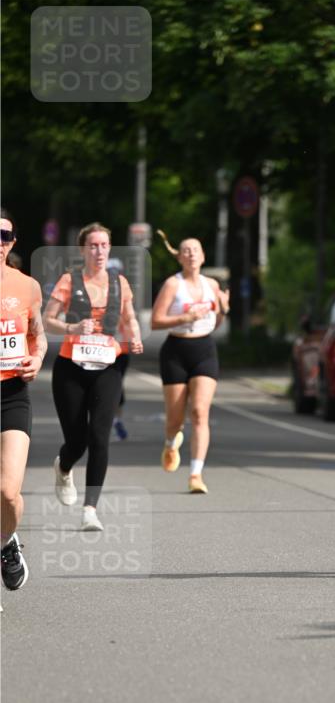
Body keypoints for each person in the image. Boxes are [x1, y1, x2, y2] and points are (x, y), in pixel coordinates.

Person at [44, 222, 144, 531]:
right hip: (71, 369)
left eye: (103, 245)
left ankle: (90, 509)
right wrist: (72, 328)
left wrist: (135, 337)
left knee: (100, 436)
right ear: (82, 249)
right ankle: (63, 467)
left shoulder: (120, 283)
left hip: (108, 367)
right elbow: (48, 320)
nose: (98, 251)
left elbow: (129, 317)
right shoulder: (69, 280)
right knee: (77, 441)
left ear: (110, 249)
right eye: (93, 246)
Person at [151, 231, 230, 494]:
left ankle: (196, 474)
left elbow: (216, 321)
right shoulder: (173, 285)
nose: (191, 253)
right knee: (175, 419)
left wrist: (224, 310)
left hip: (205, 349)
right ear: (179, 257)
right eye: (186, 250)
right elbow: (155, 321)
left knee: (199, 412)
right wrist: (183, 319)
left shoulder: (213, 285)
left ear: (203, 255)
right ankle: (171, 442)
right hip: (176, 350)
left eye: (195, 249)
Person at [1, 210, 47, 591]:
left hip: (11, 394)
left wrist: (38, 357)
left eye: (4, 236)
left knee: (7, 492)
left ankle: (6, 542)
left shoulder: (26, 286)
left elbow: (39, 334)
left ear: (12, 242)